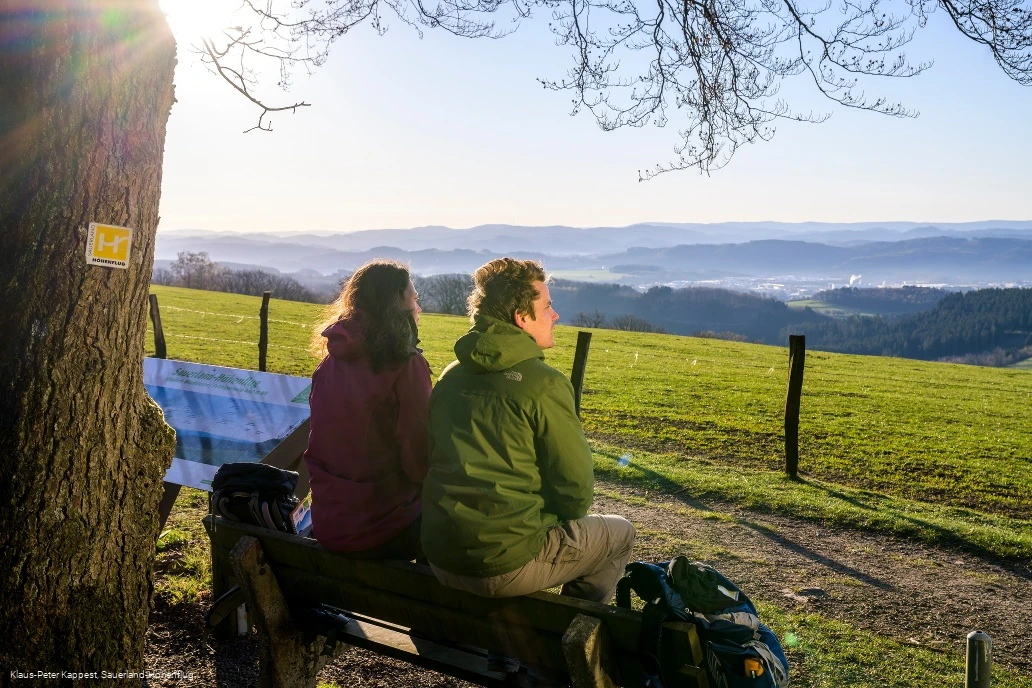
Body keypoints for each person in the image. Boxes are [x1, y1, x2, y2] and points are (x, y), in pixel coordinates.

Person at [421, 257, 636, 605]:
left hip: (441, 558)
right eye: (548, 307)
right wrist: (551, 520)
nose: (555, 316)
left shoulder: (450, 376)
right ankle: (569, 635)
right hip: (501, 566)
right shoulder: (545, 385)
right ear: (522, 318)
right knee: (620, 533)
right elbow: (575, 490)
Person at [303, 260, 431, 559]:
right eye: (413, 299)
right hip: (384, 529)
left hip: (329, 523)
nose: (418, 308)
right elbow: (420, 462)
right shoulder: (405, 365)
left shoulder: (330, 361)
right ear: (394, 306)